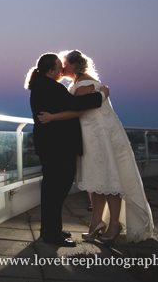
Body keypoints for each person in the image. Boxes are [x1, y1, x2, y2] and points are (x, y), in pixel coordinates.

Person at [38, 50, 154, 244]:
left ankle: (113, 224)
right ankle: (96, 223)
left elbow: (77, 109)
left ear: (74, 65)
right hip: (93, 136)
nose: (62, 67)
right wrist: (102, 93)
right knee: (98, 180)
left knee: (109, 179)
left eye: (64, 64)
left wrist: (51, 117)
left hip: (98, 136)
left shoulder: (84, 84)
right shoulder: (80, 83)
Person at [25, 53, 109, 247]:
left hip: (49, 146)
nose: (62, 70)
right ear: (51, 71)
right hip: (59, 147)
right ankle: (52, 235)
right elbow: (77, 105)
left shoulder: (40, 86)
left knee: (50, 190)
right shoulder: (53, 87)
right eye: (59, 67)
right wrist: (102, 95)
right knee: (58, 191)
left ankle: (50, 230)